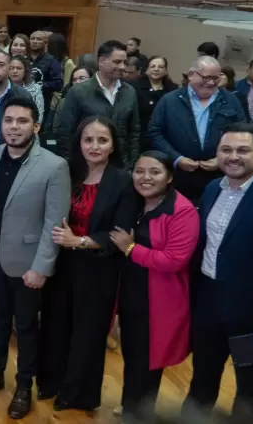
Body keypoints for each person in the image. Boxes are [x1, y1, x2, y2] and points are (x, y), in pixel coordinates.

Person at [0, 96, 70, 419]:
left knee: (25, 326)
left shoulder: (54, 166)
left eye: (22, 121)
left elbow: (55, 223)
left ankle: (24, 384)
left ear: (35, 126)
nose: (14, 127)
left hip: (27, 263)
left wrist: (41, 267)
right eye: (9, 121)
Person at [38, 116, 138, 412]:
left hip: (97, 268)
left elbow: (119, 234)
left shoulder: (122, 180)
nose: (94, 146)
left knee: (87, 333)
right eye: (88, 140)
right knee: (56, 325)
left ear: (112, 146)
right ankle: (51, 382)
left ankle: (76, 393)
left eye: (102, 140)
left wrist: (78, 242)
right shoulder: (66, 172)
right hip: (61, 264)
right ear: (78, 143)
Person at [181, 124, 253, 423]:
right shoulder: (211, 188)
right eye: (226, 150)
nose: (233, 157)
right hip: (208, 303)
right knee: (202, 378)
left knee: (249, 387)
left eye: (243, 150)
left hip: (252, 314)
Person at [107, 151, 199, 422]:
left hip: (160, 299)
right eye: (139, 171)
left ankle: (139, 413)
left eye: (154, 172)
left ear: (169, 177)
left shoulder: (181, 211)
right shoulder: (133, 202)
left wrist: (131, 248)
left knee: (149, 359)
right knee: (133, 352)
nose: (145, 177)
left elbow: (174, 260)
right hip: (131, 293)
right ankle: (130, 404)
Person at [148, 56, 247, 203]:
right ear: (191, 75)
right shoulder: (169, 101)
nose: (212, 82)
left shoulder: (230, 101)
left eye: (216, 78)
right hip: (177, 177)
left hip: (219, 178)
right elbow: (154, 132)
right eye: (206, 77)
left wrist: (221, 159)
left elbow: (243, 134)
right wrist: (177, 158)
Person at [56, 40, 140, 168]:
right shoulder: (78, 92)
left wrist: (131, 165)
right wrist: (70, 165)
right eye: (117, 62)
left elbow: (134, 132)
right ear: (101, 61)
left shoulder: (129, 92)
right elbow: (65, 133)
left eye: (124, 62)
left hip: (119, 166)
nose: (123, 67)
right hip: (85, 165)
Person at [8, 54, 44, 124]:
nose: (15, 71)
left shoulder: (35, 89)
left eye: (19, 68)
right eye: (11, 68)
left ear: (25, 70)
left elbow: (39, 114)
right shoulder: (2, 88)